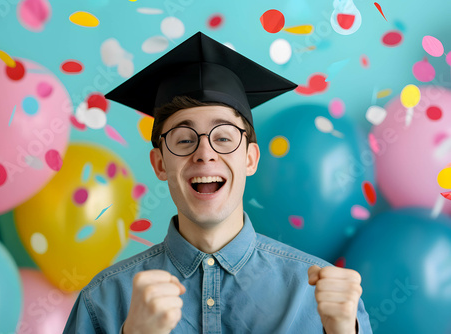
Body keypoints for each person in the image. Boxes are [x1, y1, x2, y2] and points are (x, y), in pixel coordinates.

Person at [63, 32, 372, 334]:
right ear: (159, 164)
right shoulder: (103, 300)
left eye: (223, 137)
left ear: (250, 159)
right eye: (184, 140)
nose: (204, 153)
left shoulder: (318, 298)